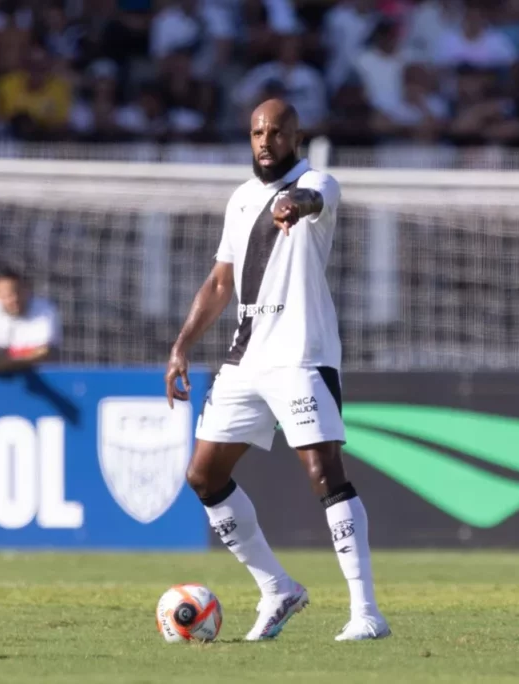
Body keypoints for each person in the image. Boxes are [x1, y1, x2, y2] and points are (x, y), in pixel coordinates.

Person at [164, 98, 390, 642]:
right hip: (245, 360)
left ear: (295, 135)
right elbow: (221, 282)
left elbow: (310, 201)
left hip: (301, 356)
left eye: (276, 132)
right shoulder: (241, 199)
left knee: (323, 473)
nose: (265, 140)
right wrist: (181, 346)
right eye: (257, 132)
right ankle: (277, 588)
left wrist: (296, 206)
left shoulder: (319, 182)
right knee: (203, 476)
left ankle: (366, 613)